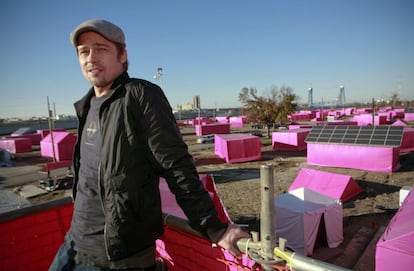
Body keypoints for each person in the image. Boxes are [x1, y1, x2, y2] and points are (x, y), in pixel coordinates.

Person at [49, 19, 250, 271]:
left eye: (101, 49)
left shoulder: (139, 95)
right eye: (83, 51)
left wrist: (214, 228)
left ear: (122, 55)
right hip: (72, 245)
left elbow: (176, 165)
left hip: (116, 258)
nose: (91, 57)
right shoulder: (87, 106)